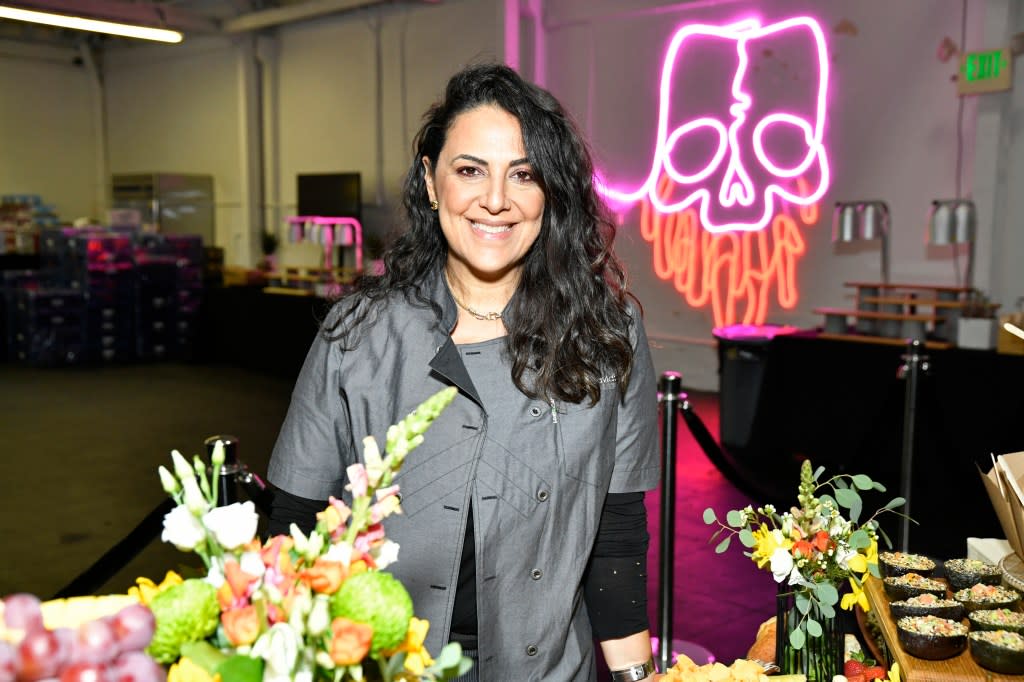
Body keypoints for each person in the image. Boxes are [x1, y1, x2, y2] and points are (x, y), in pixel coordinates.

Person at [266, 62, 661, 682]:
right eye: (469, 170)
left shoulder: (606, 338)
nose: (495, 200)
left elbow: (614, 537)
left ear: (550, 192)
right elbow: (293, 524)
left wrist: (641, 679)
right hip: (381, 666)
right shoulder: (356, 334)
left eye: (523, 174)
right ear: (430, 181)